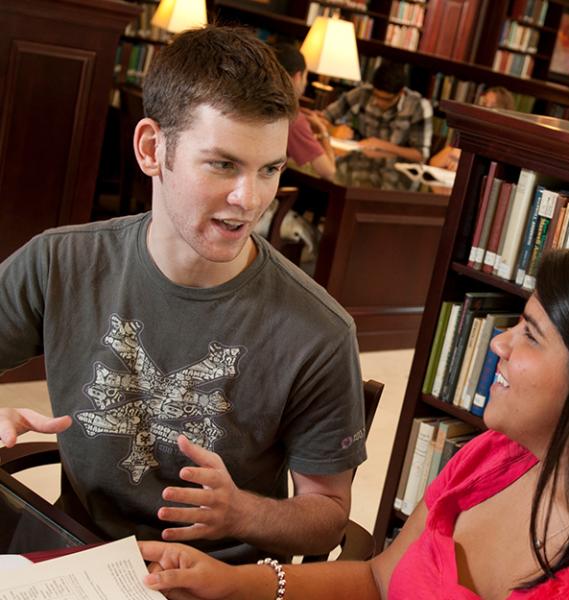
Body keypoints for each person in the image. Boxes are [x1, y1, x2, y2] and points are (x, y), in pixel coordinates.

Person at [139, 245, 569, 599]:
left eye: (529, 334)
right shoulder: (490, 460)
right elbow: (376, 580)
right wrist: (231, 584)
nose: (498, 346)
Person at [0, 26, 366, 563]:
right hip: (74, 559)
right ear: (153, 148)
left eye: (270, 169)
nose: (250, 199)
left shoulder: (321, 332)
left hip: (219, 582)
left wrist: (241, 513)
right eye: (223, 164)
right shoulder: (60, 262)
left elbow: (329, 516)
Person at [322, 61, 432, 163]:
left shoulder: (418, 107)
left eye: (386, 99)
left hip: (394, 174)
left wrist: (382, 145)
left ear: (401, 93)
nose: (379, 102)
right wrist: (334, 129)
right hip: (358, 166)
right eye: (376, 96)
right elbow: (322, 118)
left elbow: (421, 155)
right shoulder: (363, 93)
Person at [272, 42, 336, 180]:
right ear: (297, 77)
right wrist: (323, 131)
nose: (306, 83)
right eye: (306, 77)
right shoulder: (293, 118)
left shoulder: (253, 103)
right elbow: (328, 171)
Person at [429, 86, 516, 172]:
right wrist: (454, 153)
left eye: (492, 107)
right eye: (484, 104)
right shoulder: (469, 134)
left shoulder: (503, 145)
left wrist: (459, 158)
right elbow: (434, 162)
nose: (485, 109)